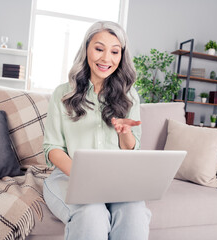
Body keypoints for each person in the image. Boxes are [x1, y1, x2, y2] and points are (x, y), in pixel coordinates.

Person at [43, 21, 151, 240]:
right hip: (70, 178)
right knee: (92, 213)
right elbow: (52, 148)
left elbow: (131, 149)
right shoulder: (63, 94)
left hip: (116, 180)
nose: (106, 59)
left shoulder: (130, 97)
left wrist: (124, 131)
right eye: (99, 49)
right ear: (86, 49)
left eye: (114, 51)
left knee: (136, 213)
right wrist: (84, 177)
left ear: (121, 56)